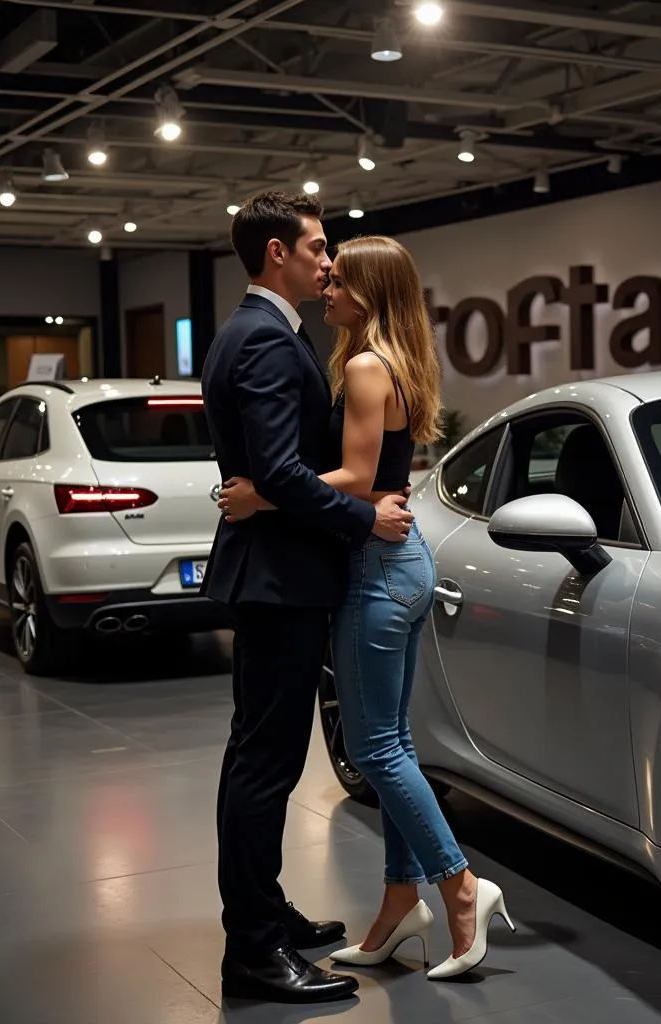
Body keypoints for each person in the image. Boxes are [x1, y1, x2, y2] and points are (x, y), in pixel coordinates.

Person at [218, 235, 515, 981]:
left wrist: (261, 490)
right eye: (325, 269)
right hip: (403, 567)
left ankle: (460, 886)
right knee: (395, 744)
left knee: (376, 748)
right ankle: (395, 907)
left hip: (377, 569)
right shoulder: (401, 361)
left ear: (371, 293)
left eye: (341, 278)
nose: (328, 286)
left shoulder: (360, 364)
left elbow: (354, 473)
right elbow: (372, 473)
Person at [201, 193, 414, 1005]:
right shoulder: (261, 339)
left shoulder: (264, 332)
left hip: (280, 574)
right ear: (276, 255)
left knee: (260, 761)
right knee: (263, 766)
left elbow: (270, 480)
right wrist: (365, 516)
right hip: (278, 582)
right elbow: (281, 473)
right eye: (319, 248)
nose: (330, 262)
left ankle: (264, 915)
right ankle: (253, 951)